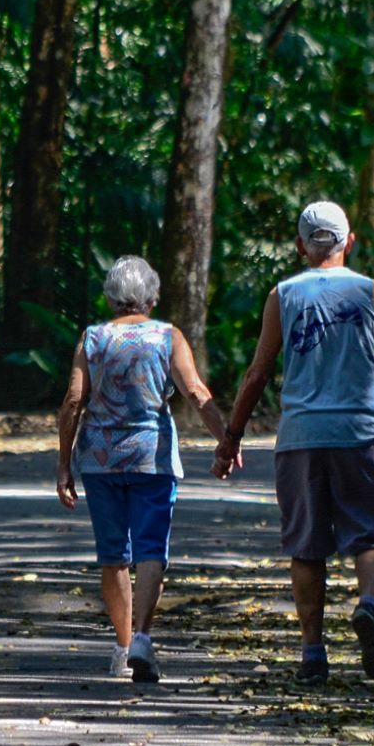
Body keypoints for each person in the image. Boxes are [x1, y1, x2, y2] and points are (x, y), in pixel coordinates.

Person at [213, 201, 374, 684]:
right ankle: (369, 603)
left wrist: (231, 437)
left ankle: (313, 654)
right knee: (373, 535)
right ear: (348, 242)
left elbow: (257, 373)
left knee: (307, 546)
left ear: (301, 246)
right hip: (362, 434)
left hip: (301, 437)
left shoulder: (283, 296)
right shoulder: (373, 292)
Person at [56, 255, 236, 683]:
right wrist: (225, 439)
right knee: (151, 549)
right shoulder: (167, 336)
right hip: (152, 460)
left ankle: (122, 649)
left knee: (113, 554)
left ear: (110, 297)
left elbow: (73, 401)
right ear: (152, 297)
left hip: (100, 462)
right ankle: (142, 638)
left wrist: (64, 465)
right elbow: (195, 392)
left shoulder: (92, 339)